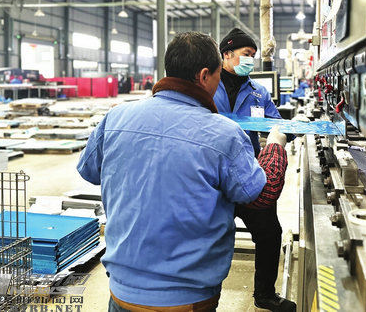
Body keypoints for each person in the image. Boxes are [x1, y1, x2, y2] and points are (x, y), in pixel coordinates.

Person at [77, 32, 290, 312]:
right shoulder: (224, 134)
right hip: (187, 300)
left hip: (120, 293)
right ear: (204, 76)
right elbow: (261, 193)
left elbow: (89, 171)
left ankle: (265, 292)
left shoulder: (115, 118)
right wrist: (275, 146)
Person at [214, 28, 297, 312]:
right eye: (246, 54)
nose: (251, 60)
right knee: (209, 233)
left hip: (248, 173)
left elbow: (276, 122)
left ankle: (265, 294)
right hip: (214, 174)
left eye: (253, 55)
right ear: (227, 54)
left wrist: (287, 131)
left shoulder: (258, 92)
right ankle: (201, 293)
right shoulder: (208, 86)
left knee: (270, 233)